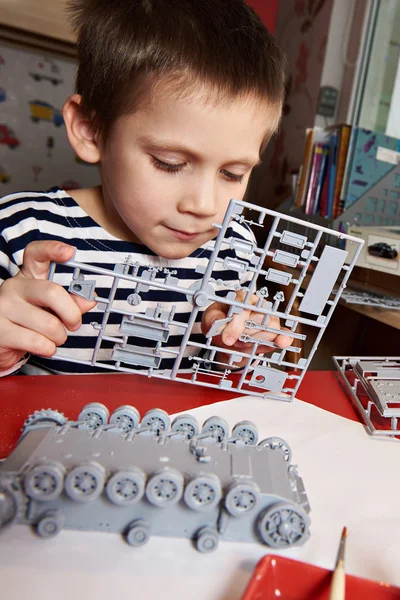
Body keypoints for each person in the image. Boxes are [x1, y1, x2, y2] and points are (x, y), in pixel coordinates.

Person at [0, 0, 290, 376]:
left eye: (233, 173)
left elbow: (231, 374)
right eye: (169, 163)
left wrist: (239, 350)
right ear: (91, 130)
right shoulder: (20, 230)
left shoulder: (234, 249)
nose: (204, 205)